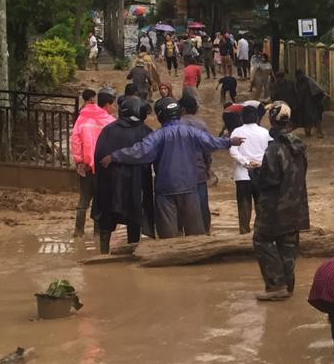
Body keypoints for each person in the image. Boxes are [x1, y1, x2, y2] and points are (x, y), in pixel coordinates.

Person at [101, 96, 230, 238]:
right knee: (196, 234)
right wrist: (230, 142)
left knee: (168, 237)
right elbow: (213, 142)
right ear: (179, 112)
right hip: (189, 188)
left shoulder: (158, 136)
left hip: (165, 190)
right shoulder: (191, 132)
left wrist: (115, 156)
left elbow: (139, 151)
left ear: (160, 115)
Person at [250, 101, 309, 301]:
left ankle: (276, 285)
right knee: (288, 244)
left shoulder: (274, 149)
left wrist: (255, 173)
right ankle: (288, 286)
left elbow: (269, 180)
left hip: (275, 207)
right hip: (296, 206)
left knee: (261, 240)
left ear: (272, 120)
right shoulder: (299, 147)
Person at [92, 95, 155, 252]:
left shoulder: (108, 130)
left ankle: (103, 253)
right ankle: (131, 253)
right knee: (134, 219)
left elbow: (98, 156)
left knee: (106, 219)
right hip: (135, 185)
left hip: (108, 184)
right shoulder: (145, 131)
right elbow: (150, 158)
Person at [70, 88, 116, 236]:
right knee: (100, 200)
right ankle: (98, 233)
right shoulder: (108, 119)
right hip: (103, 166)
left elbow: (75, 141)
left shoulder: (81, 119)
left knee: (83, 201)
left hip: (86, 166)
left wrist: (79, 161)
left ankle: (78, 232)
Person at [229, 103, 272, 233]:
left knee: (243, 207)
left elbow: (232, 151)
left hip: (242, 175)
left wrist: (246, 162)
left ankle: (243, 233)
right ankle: (260, 233)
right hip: (261, 174)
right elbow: (270, 152)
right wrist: (259, 163)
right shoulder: (265, 132)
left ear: (242, 118)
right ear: (257, 118)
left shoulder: (237, 132)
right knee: (261, 206)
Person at [179, 93, 214, 233]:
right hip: (199, 170)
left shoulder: (176, 124)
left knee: (182, 205)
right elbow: (208, 149)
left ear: (182, 109)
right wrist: (207, 167)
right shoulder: (202, 124)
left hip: (180, 173)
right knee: (202, 205)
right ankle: (206, 232)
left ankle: (183, 233)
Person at [294, 69, 326, 137]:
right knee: (306, 119)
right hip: (303, 103)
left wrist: (319, 99)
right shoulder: (297, 83)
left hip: (312, 103)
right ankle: (307, 132)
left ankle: (320, 132)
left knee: (315, 118)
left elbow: (318, 90)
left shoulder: (308, 81)